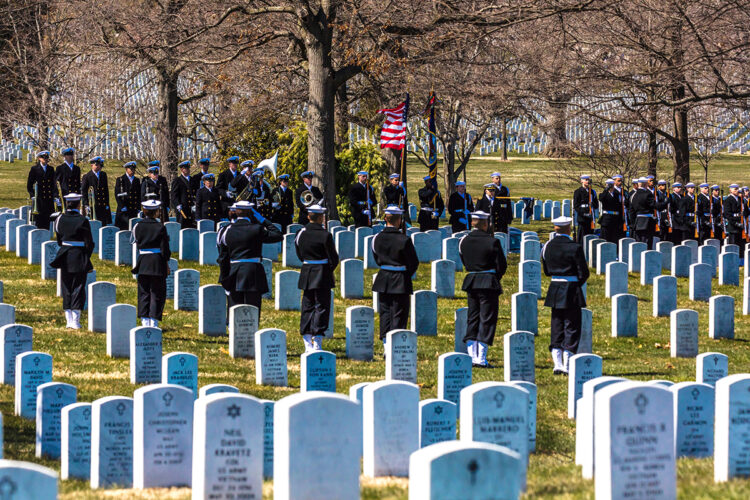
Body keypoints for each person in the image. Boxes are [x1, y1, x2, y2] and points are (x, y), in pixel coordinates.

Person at [458, 210, 507, 367]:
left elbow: (464, 261)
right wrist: (493, 277)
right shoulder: (493, 242)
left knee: (473, 317)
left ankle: (472, 354)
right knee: (487, 318)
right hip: (488, 282)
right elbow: (501, 265)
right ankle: (481, 357)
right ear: (486, 224)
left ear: (473, 223)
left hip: (472, 281)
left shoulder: (463, 241)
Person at [541, 216, 589, 375]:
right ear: (568, 228)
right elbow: (584, 273)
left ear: (556, 228)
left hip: (555, 287)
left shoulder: (547, 246)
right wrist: (575, 283)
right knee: (572, 325)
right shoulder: (575, 247)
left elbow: (547, 271)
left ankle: (558, 363)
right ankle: (568, 363)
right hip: (572, 288)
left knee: (557, 324)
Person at [219, 200, 283, 318]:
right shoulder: (257, 229)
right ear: (251, 213)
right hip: (253, 271)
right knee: (253, 308)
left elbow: (223, 257)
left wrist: (224, 278)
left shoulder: (226, 230)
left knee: (234, 307)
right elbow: (278, 235)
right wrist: (262, 219)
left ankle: (233, 330)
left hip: (234, 271)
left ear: (236, 212)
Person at [371, 205, 419, 351]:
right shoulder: (404, 240)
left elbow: (376, 257)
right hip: (400, 279)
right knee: (399, 313)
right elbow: (413, 262)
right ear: (399, 220)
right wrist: (404, 274)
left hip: (384, 278)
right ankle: (395, 346)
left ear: (386, 219)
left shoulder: (376, 238)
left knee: (385, 313)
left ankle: (386, 345)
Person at [295, 204, 339, 353]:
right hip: (322, 272)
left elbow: (300, 254)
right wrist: (328, 269)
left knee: (307, 305)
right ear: (321, 218)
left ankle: (307, 339)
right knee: (321, 306)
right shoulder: (325, 235)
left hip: (308, 271)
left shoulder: (300, 233)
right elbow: (333, 257)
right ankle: (317, 340)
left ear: (308, 216)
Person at [50, 193, 94, 329]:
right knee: (78, 287)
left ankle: (69, 319)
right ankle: (75, 320)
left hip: (64, 255)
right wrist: (86, 255)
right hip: (79, 255)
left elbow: (59, 240)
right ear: (78, 204)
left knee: (66, 286)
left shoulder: (59, 219)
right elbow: (89, 243)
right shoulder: (83, 220)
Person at [131, 199, 171, 328]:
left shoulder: (137, 226)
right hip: (157, 262)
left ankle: (144, 320)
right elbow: (165, 249)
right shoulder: (160, 227)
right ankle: (153, 321)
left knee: (143, 292)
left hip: (143, 261)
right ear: (156, 212)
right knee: (156, 292)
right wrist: (166, 263)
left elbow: (135, 242)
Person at [629, 177, 665, 249]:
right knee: (647, 244)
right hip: (647, 222)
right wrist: (665, 203)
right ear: (646, 184)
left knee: (639, 244)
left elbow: (631, 211)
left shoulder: (633, 195)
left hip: (638, 222)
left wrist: (633, 224)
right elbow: (656, 206)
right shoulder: (647, 194)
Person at [27, 150, 57, 229]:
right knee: (39, 220)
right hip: (39, 199)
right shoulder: (34, 169)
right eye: (44, 158)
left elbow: (54, 184)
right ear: (39, 158)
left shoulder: (51, 169)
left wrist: (55, 195)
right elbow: (29, 184)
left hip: (48, 198)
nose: (46, 159)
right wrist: (33, 195)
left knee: (47, 220)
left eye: (47, 157)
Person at [80, 156, 112, 226]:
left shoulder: (103, 174)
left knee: (104, 224)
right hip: (93, 205)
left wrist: (107, 203)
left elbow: (106, 190)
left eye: (100, 165)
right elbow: (84, 192)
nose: (99, 167)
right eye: (97, 165)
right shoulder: (87, 176)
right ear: (92, 165)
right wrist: (86, 204)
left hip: (103, 204)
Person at [114, 161, 141, 231]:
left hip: (133, 209)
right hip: (124, 210)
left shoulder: (136, 180)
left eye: (133, 169)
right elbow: (117, 194)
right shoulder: (120, 179)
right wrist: (122, 206)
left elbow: (138, 195)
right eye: (131, 169)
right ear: (126, 169)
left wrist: (138, 207)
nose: (132, 171)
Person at [171, 160, 197, 229]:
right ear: (182, 169)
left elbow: (195, 193)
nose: (188, 170)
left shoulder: (192, 180)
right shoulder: (177, 181)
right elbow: (174, 195)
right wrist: (177, 204)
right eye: (186, 169)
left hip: (191, 208)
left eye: (188, 168)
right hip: (182, 209)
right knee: (182, 227)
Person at [573, 175, 598, 243]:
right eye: (586, 180)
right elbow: (576, 206)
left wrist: (593, 204)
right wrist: (584, 213)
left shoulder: (592, 192)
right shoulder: (578, 192)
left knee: (590, 235)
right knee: (582, 236)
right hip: (582, 217)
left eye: (588, 180)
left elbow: (596, 205)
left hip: (590, 217)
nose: (587, 181)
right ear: (581, 181)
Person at [597, 179, 622, 244]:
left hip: (615, 218)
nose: (611, 187)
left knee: (614, 238)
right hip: (607, 218)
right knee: (605, 238)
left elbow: (619, 206)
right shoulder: (603, 194)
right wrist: (606, 190)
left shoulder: (617, 194)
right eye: (609, 185)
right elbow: (601, 199)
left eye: (612, 185)